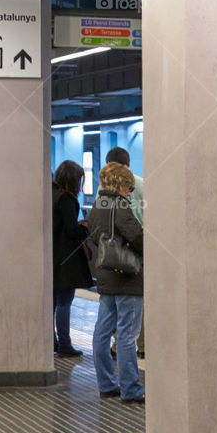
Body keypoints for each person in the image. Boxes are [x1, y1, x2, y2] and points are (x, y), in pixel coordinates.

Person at [88, 162, 145, 403]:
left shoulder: (98, 205)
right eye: (129, 189)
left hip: (106, 275)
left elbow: (92, 234)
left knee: (102, 331)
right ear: (121, 185)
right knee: (127, 335)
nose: (130, 193)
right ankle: (131, 389)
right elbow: (138, 237)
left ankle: (107, 384)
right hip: (126, 277)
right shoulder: (120, 205)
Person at [105, 146, 146, 358]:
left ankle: (117, 344)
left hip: (118, 251)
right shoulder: (143, 184)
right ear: (128, 165)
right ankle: (143, 345)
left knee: (120, 301)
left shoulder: (105, 188)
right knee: (138, 299)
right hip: (141, 248)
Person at [51, 161, 92, 357]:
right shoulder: (66, 199)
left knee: (52, 301)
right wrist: (84, 226)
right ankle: (66, 344)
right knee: (64, 301)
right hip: (65, 259)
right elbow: (71, 230)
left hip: (51, 256)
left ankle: (52, 340)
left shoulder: (50, 195)